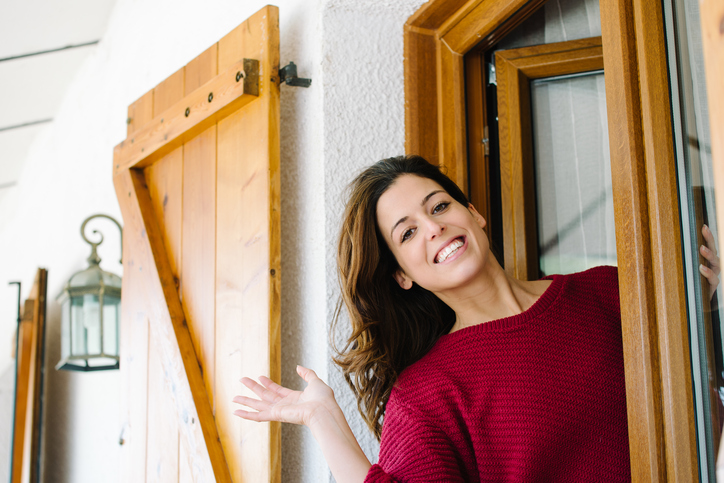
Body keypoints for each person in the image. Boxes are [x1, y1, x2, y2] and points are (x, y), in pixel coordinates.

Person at [233, 155, 720, 482]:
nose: (434, 227)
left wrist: (716, 295)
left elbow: (702, 388)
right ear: (401, 276)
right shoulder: (426, 394)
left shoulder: (605, 290)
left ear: (474, 213)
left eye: (440, 206)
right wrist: (322, 419)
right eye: (407, 234)